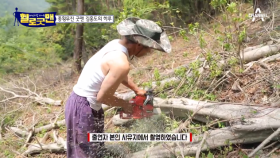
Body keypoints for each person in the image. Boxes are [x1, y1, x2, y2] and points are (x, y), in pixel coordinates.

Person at [64, 17, 172, 158]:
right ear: (139, 44)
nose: (149, 53)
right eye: (150, 49)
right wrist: (126, 105)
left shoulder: (116, 44)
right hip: (83, 108)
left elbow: (117, 74)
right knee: (85, 153)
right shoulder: (121, 62)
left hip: (81, 103)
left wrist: (137, 90)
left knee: (94, 148)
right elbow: (102, 97)